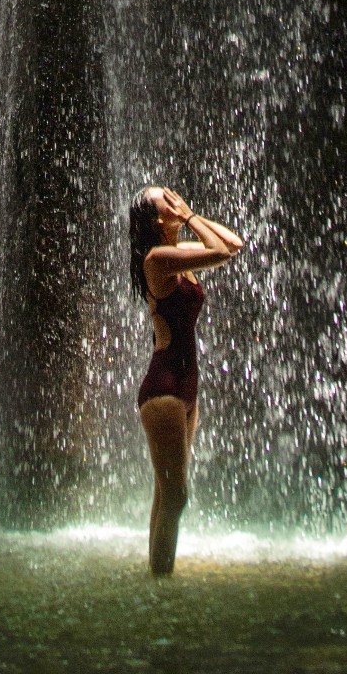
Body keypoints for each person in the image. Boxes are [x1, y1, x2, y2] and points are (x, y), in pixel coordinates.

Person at [129, 184, 244, 575]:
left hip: (186, 388)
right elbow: (219, 250)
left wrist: (191, 216)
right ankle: (161, 583)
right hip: (162, 390)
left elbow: (233, 244)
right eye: (167, 199)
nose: (175, 198)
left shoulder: (179, 257)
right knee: (176, 497)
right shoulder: (157, 259)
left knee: (167, 495)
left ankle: (158, 579)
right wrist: (191, 217)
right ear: (156, 219)